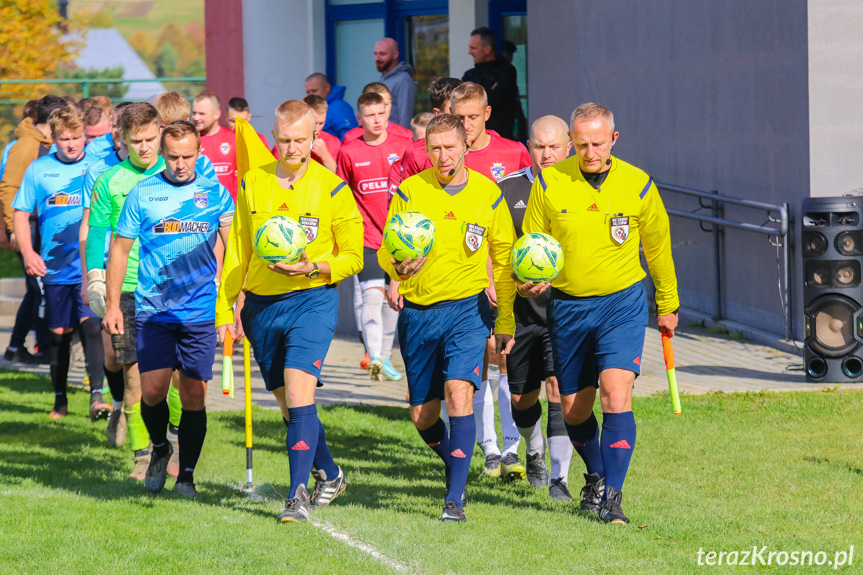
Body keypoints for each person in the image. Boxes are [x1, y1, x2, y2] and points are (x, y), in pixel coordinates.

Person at [521, 103, 679, 524]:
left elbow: (658, 248)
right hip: (569, 307)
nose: (590, 152)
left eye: (598, 143)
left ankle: (613, 499)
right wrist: (527, 279)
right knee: (573, 409)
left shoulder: (638, 185)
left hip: (621, 304)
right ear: (571, 142)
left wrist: (668, 304)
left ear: (614, 139)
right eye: (582, 143)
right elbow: (532, 245)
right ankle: (595, 475)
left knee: (616, 393)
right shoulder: (550, 183)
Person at [216, 100, 363, 522]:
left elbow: (354, 256)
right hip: (262, 307)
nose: (292, 148)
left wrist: (314, 266)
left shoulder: (333, 189)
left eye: (301, 140)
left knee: (301, 394)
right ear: (273, 136)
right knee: (288, 407)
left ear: (315, 137)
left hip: (312, 300)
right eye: (284, 139)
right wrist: (226, 307)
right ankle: (331, 475)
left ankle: (296, 496)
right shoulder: (251, 183)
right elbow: (238, 250)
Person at [378, 113, 516, 522]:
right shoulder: (409, 191)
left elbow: (504, 258)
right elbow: (388, 247)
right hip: (418, 314)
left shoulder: (488, 195)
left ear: (465, 147)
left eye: (450, 147)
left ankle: (454, 499)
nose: (442, 155)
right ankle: (456, 462)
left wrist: (504, 318)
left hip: (466, 311)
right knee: (423, 416)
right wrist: (396, 270)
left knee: (460, 392)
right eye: (434, 147)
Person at [103, 121, 235, 497]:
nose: (180, 164)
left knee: (194, 395)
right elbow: (120, 250)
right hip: (153, 310)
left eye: (187, 156)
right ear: (164, 153)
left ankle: (188, 476)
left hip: (199, 312)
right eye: (173, 156)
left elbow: (236, 249)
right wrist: (113, 304)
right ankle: (160, 448)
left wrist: (235, 304)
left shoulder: (214, 193)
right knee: (153, 390)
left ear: (199, 152)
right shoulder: (143, 193)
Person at [86, 103, 183, 481]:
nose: (144, 148)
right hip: (127, 289)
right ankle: (144, 456)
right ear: (121, 140)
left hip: (173, 288)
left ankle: (172, 439)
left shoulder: (179, 171)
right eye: (135, 142)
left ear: (161, 132)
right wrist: (94, 277)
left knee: (178, 376)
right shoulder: (110, 180)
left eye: (150, 139)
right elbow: (96, 233)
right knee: (135, 378)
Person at [11, 106, 108, 420]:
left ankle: (97, 397)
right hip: (54, 267)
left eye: (77, 137)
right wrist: (28, 252)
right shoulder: (39, 170)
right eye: (64, 138)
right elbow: (21, 214)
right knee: (59, 334)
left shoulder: (98, 167)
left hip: (92, 264)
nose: (72, 144)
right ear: (52, 138)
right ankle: (60, 399)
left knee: (93, 327)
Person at [497, 115, 575, 499]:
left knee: (560, 387)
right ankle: (533, 447)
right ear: (529, 146)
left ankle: (560, 479)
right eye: (539, 147)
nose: (547, 155)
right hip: (521, 313)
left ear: (570, 145)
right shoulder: (507, 189)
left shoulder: (581, 189)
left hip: (566, 312)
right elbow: (493, 251)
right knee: (522, 399)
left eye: (554, 147)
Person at [337, 92, 410, 382]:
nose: (377, 120)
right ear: (359, 119)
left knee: (394, 300)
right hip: (366, 238)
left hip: (398, 239)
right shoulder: (349, 151)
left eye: (381, 113)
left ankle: (386, 356)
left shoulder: (402, 145)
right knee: (371, 298)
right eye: (370, 115)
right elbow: (342, 195)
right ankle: (375, 357)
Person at [79, 101, 132, 445]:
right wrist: (91, 275)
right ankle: (117, 404)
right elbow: (88, 230)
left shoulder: (161, 169)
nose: (116, 133)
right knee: (113, 357)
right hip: (110, 274)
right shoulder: (100, 171)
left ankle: (151, 443)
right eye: (115, 126)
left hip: (150, 278)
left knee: (151, 367)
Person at [1, 98, 52, 364]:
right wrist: (11, 227)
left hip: (41, 227)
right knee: (38, 288)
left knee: (36, 290)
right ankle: (35, 347)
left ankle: (18, 348)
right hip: (28, 228)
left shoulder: (45, 145)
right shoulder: (25, 147)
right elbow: (8, 187)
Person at [398, 77, 462, 179]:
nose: (461, 116)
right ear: (437, 113)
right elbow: (409, 193)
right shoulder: (416, 153)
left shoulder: (486, 142)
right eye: (453, 111)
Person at [463, 27, 518, 140]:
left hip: (500, 139)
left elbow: (492, 100)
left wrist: (474, 99)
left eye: (474, 48)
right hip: (473, 141)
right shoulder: (470, 75)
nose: (470, 52)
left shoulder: (506, 71)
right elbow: (462, 102)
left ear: (487, 49)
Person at [269, 95, 340, 173]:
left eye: (321, 123)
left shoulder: (333, 141)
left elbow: (339, 177)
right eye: (314, 123)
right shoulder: (285, 143)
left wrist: (325, 156)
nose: (317, 128)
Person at [192, 91, 238, 199]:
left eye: (202, 114)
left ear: (216, 114)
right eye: (194, 113)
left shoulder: (234, 139)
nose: (195, 118)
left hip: (231, 211)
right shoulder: (190, 140)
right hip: (202, 210)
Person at [341, 83, 412, 145]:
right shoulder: (351, 137)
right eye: (373, 105)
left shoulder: (405, 135)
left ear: (391, 103)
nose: (382, 108)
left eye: (385, 104)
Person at [374, 38, 416, 129]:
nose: (377, 58)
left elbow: (405, 119)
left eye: (382, 54)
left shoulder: (403, 80)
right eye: (375, 54)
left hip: (396, 139)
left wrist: (401, 141)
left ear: (395, 54)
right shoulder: (383, 78)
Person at [304, 73, 358, 140]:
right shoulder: (308, 109)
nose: (310, 95)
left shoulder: (339, 107)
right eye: (308, 92)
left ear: (327, 88)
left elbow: (350, 137)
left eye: (314, 91)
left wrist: (327, 150)